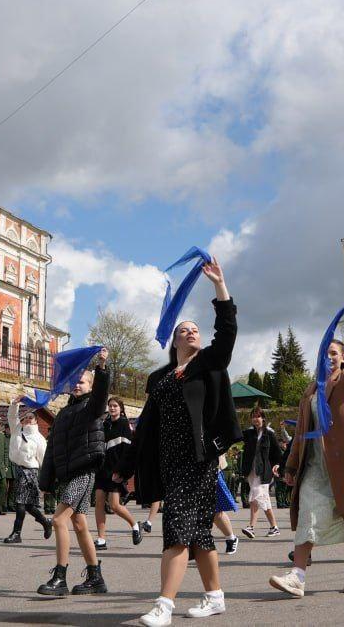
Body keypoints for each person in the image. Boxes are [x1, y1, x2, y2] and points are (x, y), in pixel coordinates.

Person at [116, 259, 238, 626]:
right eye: (183, 329)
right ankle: (215, 596)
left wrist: (220, 286)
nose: (190, 332)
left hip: (198, 460)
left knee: (177, 527)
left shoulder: (209, 364)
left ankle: (164, 605)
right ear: (174, 339)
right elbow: (147, 428)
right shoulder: (161, 378)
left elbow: (228, 331)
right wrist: (125, 468)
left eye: (194, 329)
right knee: (199, 531)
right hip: (169, 463)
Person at [270, 302, 344, 597]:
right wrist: (291, 467)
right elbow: (301, 434)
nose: (329, 357)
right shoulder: (311, 390)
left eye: (335, 353)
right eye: (325, 352)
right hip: (315, 467)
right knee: (308, 515)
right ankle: (298, 576)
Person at [36, 349, 112, 596]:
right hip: (68, 475)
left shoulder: (92, 406)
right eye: (75, 381)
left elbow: (102, 393)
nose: (77, 385)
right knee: (79, 524)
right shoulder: (64, 413)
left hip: (83, 472)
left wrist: (101, 367)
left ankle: (60, 577)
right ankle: (95, 577)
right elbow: (52, 449)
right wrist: (46, 478)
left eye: (82, 382)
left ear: (90, 386)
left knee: (58, 520)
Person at [3, 392, 53, 543]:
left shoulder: (39, 439)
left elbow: (44, 460)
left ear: (36, 421)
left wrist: (45, 481)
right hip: (18, 469)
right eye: (26, 417)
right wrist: (15, 403)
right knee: (29, 506)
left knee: (20, 502)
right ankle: (45, 522)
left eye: (31, 418)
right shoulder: (17, 429)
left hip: (30, 472)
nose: (27, 419)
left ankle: (16, 533)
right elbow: (11, 417)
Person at [94, 396, 142, 551]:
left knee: (114, 505)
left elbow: (128, 451)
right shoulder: (104, 424)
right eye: (110, 406)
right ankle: (101, 539)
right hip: (102, 470)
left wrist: (121, 471)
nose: (112, 408)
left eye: (115, 406)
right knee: (99, 503)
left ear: (121, 409)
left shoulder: (124, 424)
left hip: (116, 471)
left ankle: (135, 525)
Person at [239, 406, 280, 538]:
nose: (255, 419)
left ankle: (251, 527)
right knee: (263, 499)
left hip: (264, 472)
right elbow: (235, 437)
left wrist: (278, 465)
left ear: (263, 418)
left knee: (255, 497)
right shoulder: (248, 433)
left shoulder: (270, 434)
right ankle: (274, 527)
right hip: (251, 471)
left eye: (257, 416)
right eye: (253, 416)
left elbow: (277, 454)